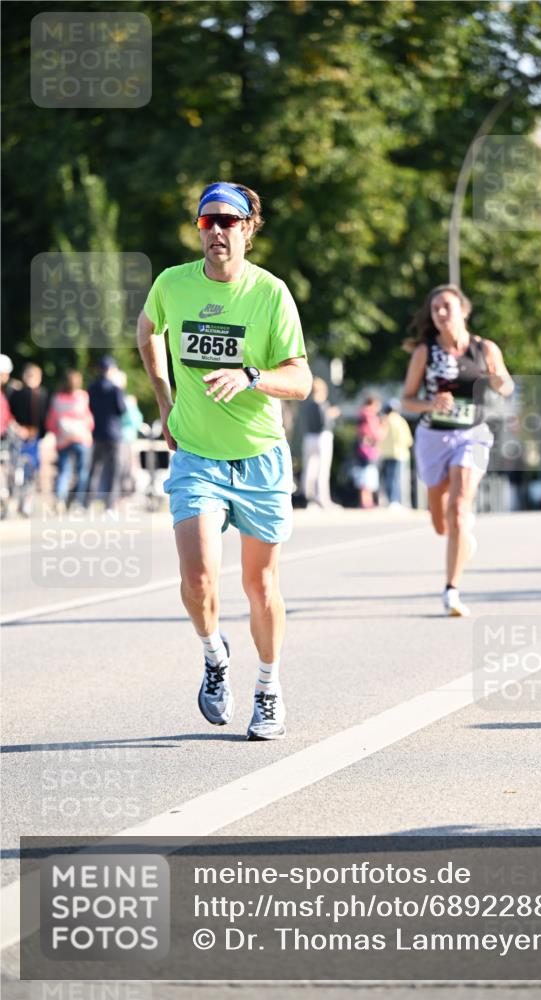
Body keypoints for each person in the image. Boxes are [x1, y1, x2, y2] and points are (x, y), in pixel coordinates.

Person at [137, 181, 311, 740]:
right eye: (208, 220)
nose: (217, 230)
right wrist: (165, 400)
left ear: (248, 229)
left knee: (260, 586)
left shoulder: (271, 294)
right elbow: (147, 332)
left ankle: (267, 687)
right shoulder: (172, 285)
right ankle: (214, 656)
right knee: (198, 577)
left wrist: (252, 376)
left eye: (229, 221)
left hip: (259, 458)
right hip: (198, 456)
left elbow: (302, 379)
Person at [401, 284, 514, 616]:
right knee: (441, 522)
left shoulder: (484, 349)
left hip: (473, 435)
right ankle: (460, 535)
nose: (440, 313)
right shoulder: (425, 352)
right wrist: (430, 403)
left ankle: (451, 590)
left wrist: (497, 380)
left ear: (464, 310)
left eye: (447, 306)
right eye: (435, 308)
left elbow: (506, 385)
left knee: (460, 508)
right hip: (433, 438)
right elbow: (406, 399)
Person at [45, 370, 94, 507]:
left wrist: (58, 433)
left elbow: (51, 421)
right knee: (82, 472)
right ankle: (78, 501)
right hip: (81, 439)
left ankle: (60, 499)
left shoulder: (57, 398)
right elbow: (89, 419)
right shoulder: (83, 397)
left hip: (63, 440)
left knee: (64, 471)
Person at [8, 362, 50, 515]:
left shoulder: (18, 393)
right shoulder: (29, 393)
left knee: (27, 470)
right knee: (23, 470)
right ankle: (22, 501)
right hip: (24, 435)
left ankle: (24, 501)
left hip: (29, 435)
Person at [85, 356, 126, 510]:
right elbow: (121, 409)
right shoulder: (115, 389)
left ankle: (87, 502)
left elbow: (91, 408)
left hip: (97, 432)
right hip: (114, 434)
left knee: (94, 469)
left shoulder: (92, 387)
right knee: (113, 471)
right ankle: (109, 504)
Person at [300, 376, 339, 507]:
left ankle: (309, 498)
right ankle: (322, 498)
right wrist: (331, 415)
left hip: (309, 437)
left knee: (309, 469)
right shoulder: (323, 404)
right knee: (323, 469)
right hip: (322, 437)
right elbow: (323, 422)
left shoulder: (308, 404)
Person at [379, 398, 413, 508]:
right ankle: (396, 501)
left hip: (385, 453)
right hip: (399, 454)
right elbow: (408, 439)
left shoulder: (383, 420)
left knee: (388, 478)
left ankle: (390, 500)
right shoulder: (400, 421)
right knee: (398, 479)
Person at [353, 394, 383, 509]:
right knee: (367, 475)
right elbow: (376, 434)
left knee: (364, 475)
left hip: (362, 450)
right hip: (369, 450)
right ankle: (366, 502)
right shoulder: (370, 416)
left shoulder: (361, 415)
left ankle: (366, 501)